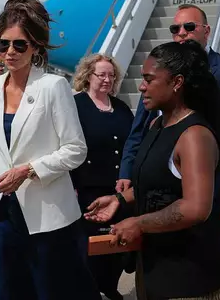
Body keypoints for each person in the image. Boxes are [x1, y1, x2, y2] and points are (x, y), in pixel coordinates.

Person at [0, 0, 102, 300]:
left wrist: (28, 171)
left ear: (35, 46)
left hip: (46, 214)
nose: (10, 51)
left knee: (46, 292)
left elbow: (76, 149)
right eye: (4, 43)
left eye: (19, 44)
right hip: (0, 213)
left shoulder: (53, 87)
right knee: (0, 292)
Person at [85, 40, 220, 299]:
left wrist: (138, 223)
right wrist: (119, 200)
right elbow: (155, 184)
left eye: (149, 79)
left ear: (176, 82)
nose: (141, 86)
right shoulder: (156, 125)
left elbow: (195, 208)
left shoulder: (194, 135)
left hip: (190, 279)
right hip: (155, 272)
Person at [117, 4, 220, 226]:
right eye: (175, 29)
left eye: (189, 26)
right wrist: (126, 171)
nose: (181, 33)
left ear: (206, 31)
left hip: (206, 189)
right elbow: (138, 130)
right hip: (156, 190)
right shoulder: (157, 76)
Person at [71, 54, 134, 300]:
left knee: (116, 245)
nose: (107, 79)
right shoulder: (75, 106)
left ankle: (109, 285)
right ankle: (90, 291)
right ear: (88, 76)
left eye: (111, 75)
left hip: (118, 190)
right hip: (86, 189)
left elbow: (131, 147)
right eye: (102, 74)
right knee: (90, 246)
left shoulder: (121, 108)